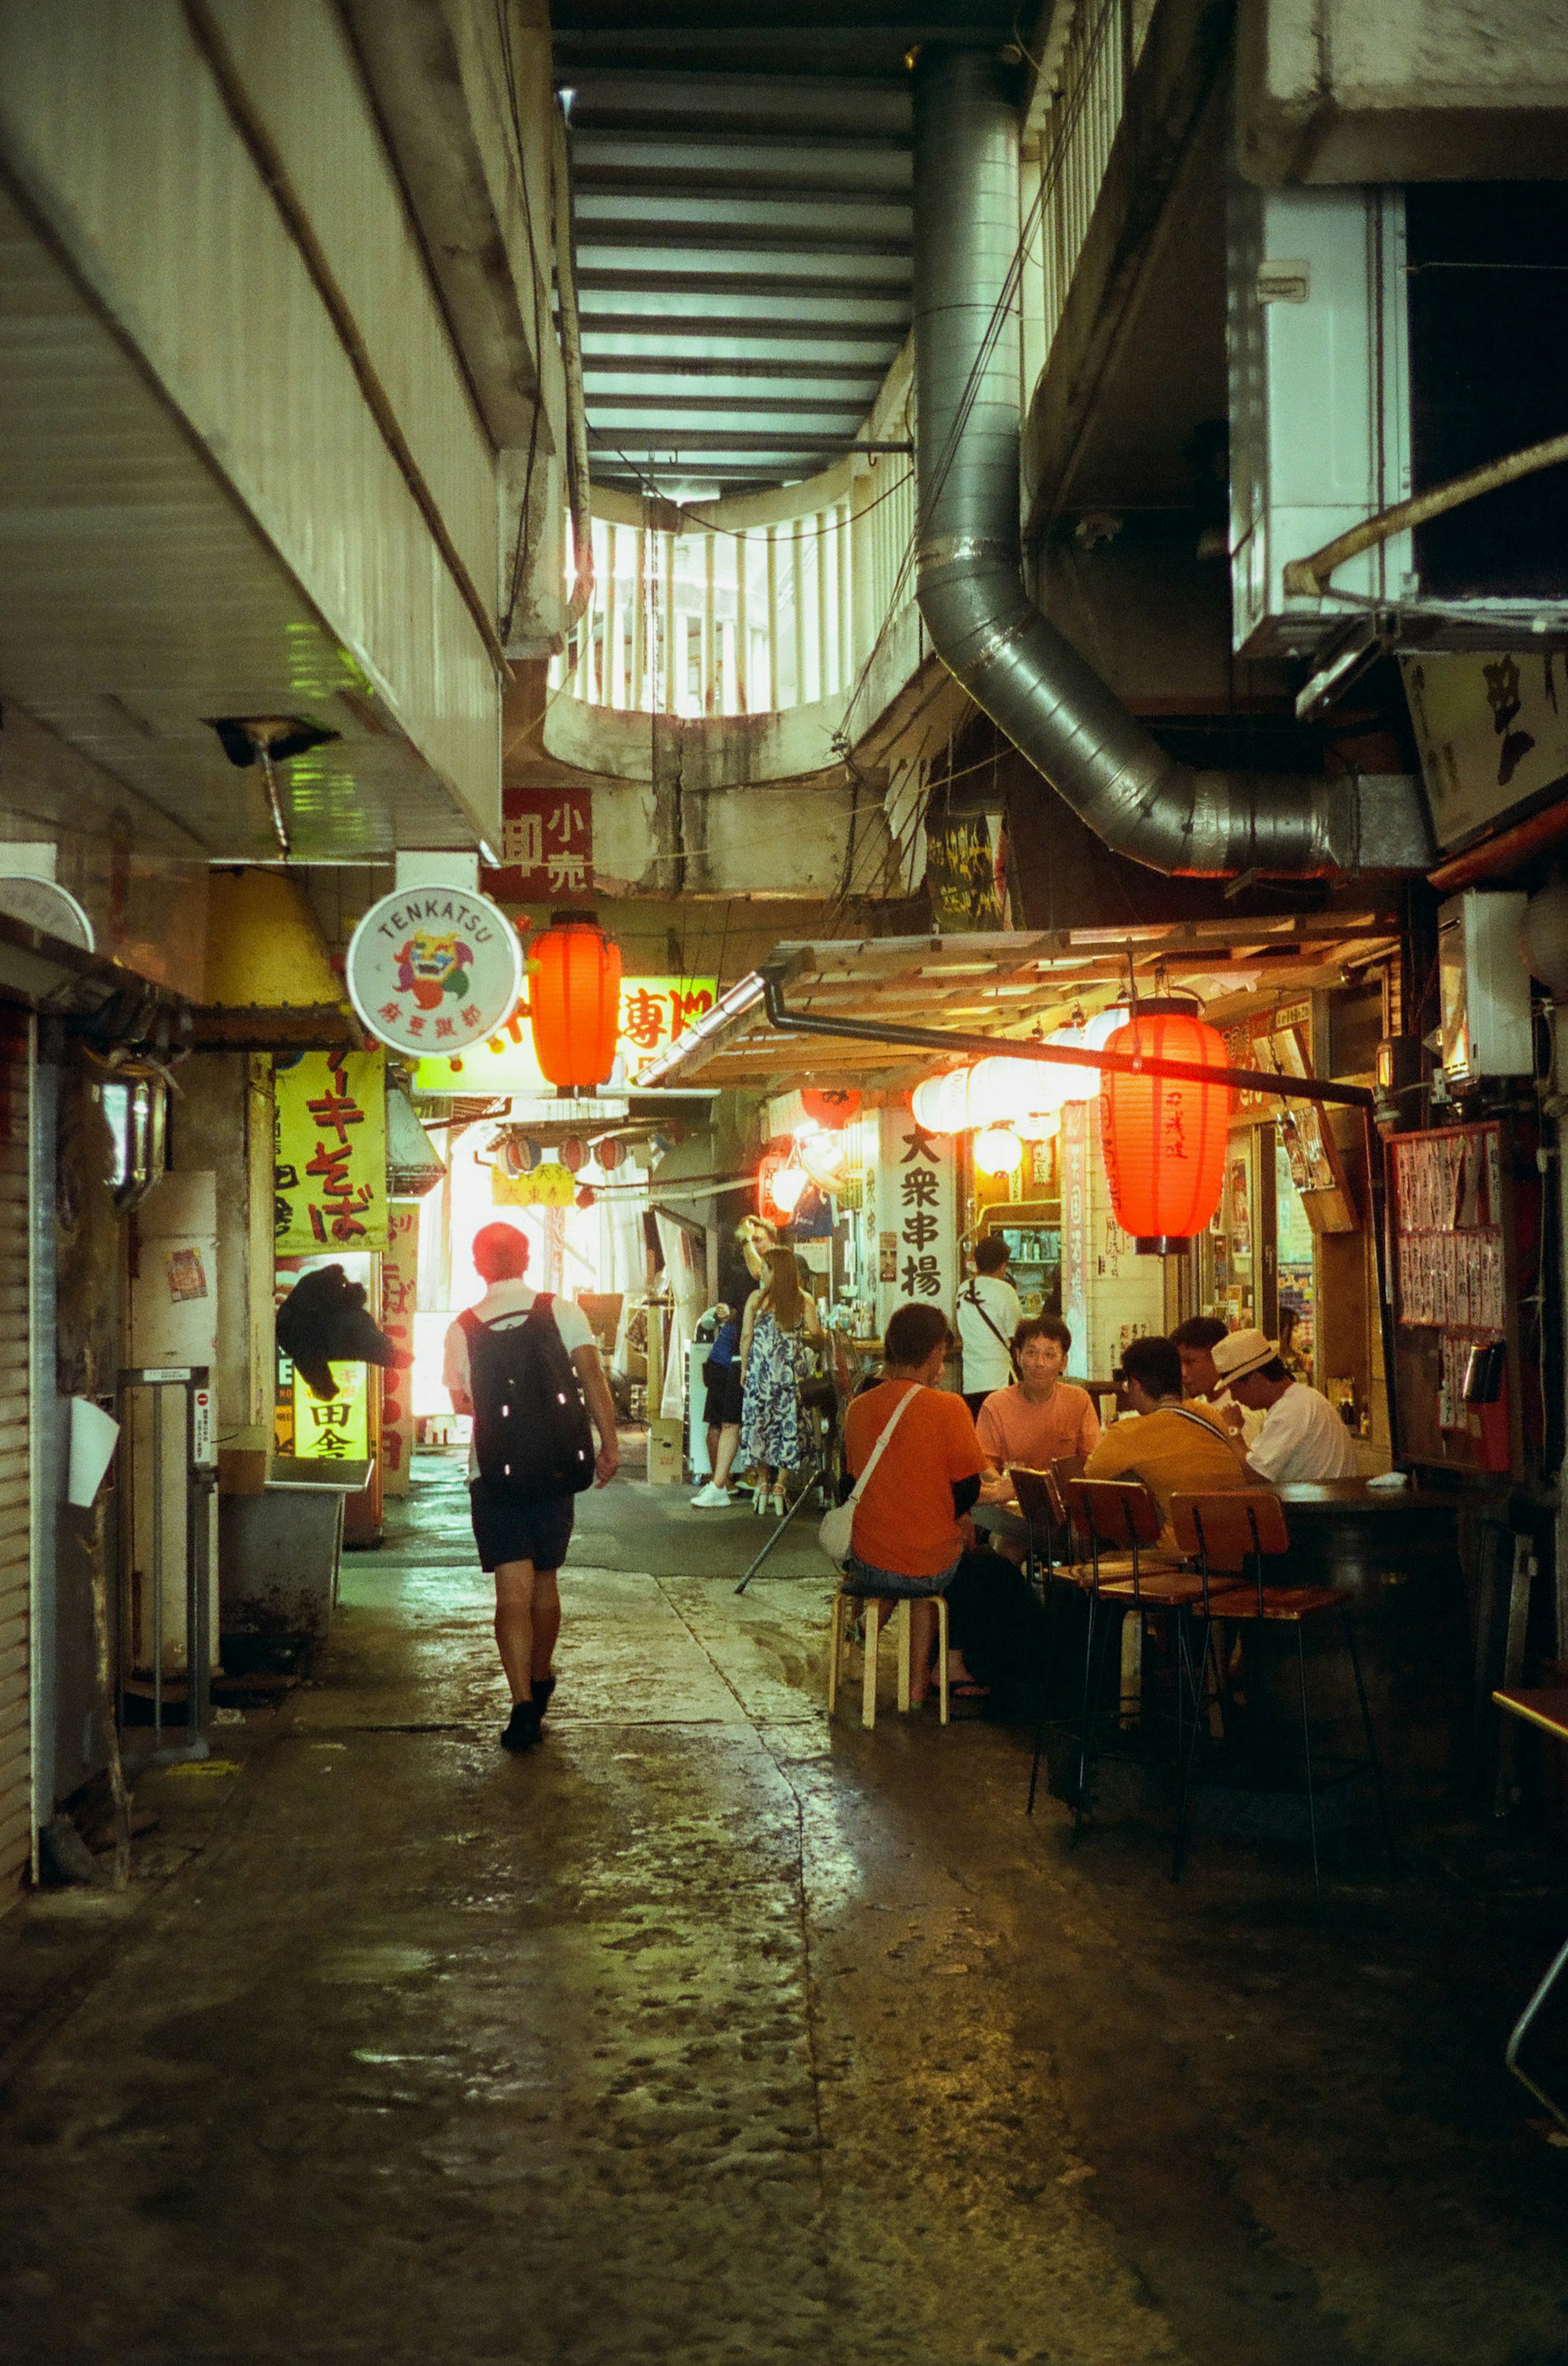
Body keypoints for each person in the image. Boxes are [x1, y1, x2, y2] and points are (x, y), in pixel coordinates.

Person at [443, 1222, 618, 1753]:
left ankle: (522, 1705)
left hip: (494, 1475)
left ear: (479, 1266)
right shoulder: (561, 1311)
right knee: (545, 1584)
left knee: (510, 1592)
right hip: (555, 1466)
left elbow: (461, 1404)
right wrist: (609, 1443)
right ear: (525, 1258)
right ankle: (540, 1677)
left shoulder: (461, 1329)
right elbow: (594, 1379)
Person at [841, 1303, 987, 1705]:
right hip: (929, 1566)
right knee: (938, 1568)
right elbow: (968, 1490)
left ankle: (867, 1632)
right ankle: (920, 1685)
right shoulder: (949, 1407)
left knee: (908, 1556)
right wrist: (959, 1521)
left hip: (867, 1562)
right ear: (935, 1351)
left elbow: (852, 1483)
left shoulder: (858, 1409)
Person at [1081, 1334, 1248, 1544]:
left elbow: (1088, 1479)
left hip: (1185, 1554)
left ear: (1136, 1385)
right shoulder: (1210, 1415)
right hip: (1240, 1545)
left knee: (1122, 1486)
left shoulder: (1128, 1434)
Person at [973, 1315, 1101, 1555]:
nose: (1039, 1363)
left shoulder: (1079, 1401)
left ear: (1064, 1362)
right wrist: (1006, 1487)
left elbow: (1093, 1461)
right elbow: (983, 1465)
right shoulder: (996, 1405)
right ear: (1018, 1356)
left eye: (1050, 1355)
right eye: (1031, 1353)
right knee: (1007, 1548)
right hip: (1015, 1510)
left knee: (1083, 1543)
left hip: (1067, 1511)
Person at [738, 1244, 824, 1516]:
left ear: (776, 1270)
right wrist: (819, 1340)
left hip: (761, 1373)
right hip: (790, 1373)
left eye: (764, 1267)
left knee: (762, 1423)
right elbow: (817, 1333)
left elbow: (747, 1337)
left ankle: (763, 1484)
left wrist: (744, 1369)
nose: (760, 1272)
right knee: (788, 1424)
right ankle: (780, 1487)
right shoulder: (804, 1300)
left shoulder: (756, 1299)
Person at [1210, 1328, 1357, 1484]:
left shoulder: (1290, 1410)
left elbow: (1255, 1476)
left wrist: (1232, 1430)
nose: (1234, 1397)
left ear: (1257, 1379)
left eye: (1234, 1389)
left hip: (1319, 1507)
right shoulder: (1301, 1398)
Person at [1170, 1313, 1264, 1447]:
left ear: (1217, 1358)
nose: (1183, 1373)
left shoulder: (1241, 1409)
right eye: (1179, 1363)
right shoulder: (1197, 1407)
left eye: (1190, 1362)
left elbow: (1247, 1465)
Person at [956, 1233, 1023, 1417]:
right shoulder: (1005, 1291)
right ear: (1003, 1266)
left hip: (971, 1381)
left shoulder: (963, 1289)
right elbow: (1017, 1334)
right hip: (998, 1380)